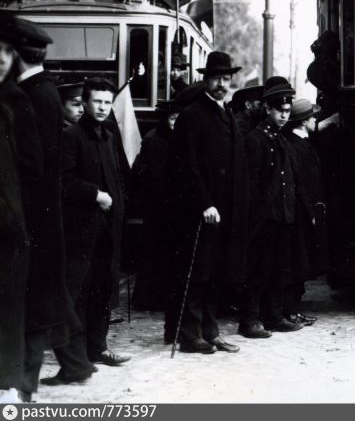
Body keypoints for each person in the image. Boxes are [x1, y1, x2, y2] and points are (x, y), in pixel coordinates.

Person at [4, 17, 94, 396]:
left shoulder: (29, 96)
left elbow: (31, 167)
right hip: (45, 216)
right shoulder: (46, 91)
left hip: (33, 218)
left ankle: (23, 387)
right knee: (48, 298)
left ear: (16, 55)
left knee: (35, 304)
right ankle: (73, 365)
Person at [166, 51, 248, 355]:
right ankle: (190, 334)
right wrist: (204, 203)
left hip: (225, 209)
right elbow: (186, 165)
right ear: (205, 80)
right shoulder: (193, 115)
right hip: (201, 211)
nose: (222, 84)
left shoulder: (226, 112)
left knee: (216, 272)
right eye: (216, 78)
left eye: (226, 79)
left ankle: (210, 331)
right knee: (198, 272)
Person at [60, 77, 130, 369]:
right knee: (79, 291)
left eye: (107, 102)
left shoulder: (109, 136)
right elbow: (63, 181)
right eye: (97, 101)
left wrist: (119, 205)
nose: (102, 107)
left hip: (108, 228)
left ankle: (98, 348)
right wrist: (95, 195)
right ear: (86, 103)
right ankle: (76, 356)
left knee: (103, 287)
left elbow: (118, 177)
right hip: (81, 229)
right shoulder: (71, 136)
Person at [241, 81, 303, 337]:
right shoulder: (255, 140)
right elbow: (251, 184)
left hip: (282, 215)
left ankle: (273, 316)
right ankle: (249, 320)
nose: (285, 116)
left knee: (278, 269)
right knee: (258, 270)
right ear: (267, 109)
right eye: (280, 111)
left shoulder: (280, 139)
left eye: (287, 111)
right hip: (264, 218)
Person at [129, 99, 182, 313]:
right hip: (157, 204)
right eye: (172, 119)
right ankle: (148, 298)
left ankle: (162, 296)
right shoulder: (154, 140)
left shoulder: (178, 138)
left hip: (171, 204)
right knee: (154, 251)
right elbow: (150, 174)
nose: (175, 123)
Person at [0, 26, 29, 403]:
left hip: (7, 226)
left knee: (8, 309)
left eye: (7, 52)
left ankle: (6, 383)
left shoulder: (12, 105)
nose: (0, 60)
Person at [283, 97, 327, 327]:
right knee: (296, 262)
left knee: (301, 261)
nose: (315, 120)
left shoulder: (302, 142)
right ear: (303, 121)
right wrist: (310, 212)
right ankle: (290, 310)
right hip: (300, 213)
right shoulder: (295, 145)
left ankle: (294, 309)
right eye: (312, 117)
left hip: (306, 211)